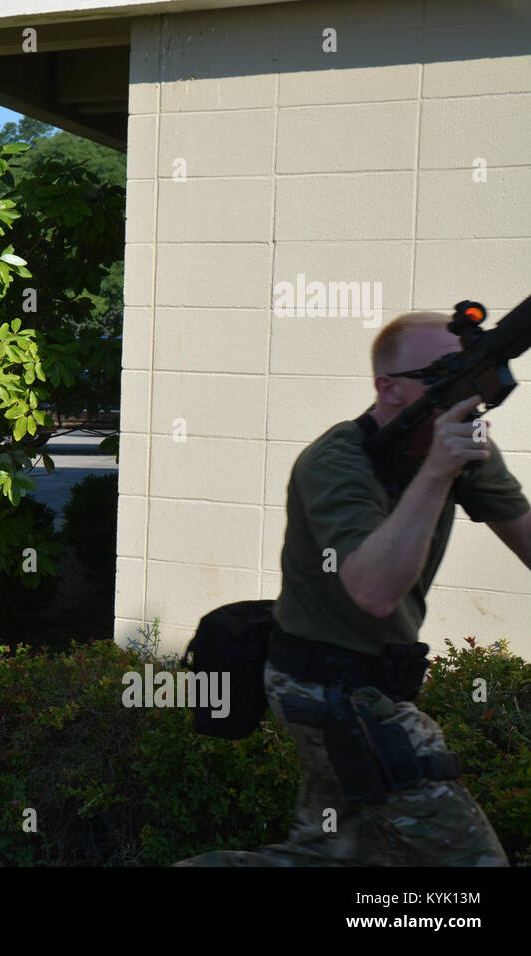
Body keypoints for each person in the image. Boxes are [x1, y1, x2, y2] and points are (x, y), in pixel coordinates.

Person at [182, 310, 531, 866]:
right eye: (442, 374)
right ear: (387, 388)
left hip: (378, 680)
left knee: (335, 854)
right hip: (320, 684)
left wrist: (447, 465)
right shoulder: (336, 461)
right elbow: (374, 591)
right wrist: (437, 475)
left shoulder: (460, 448)